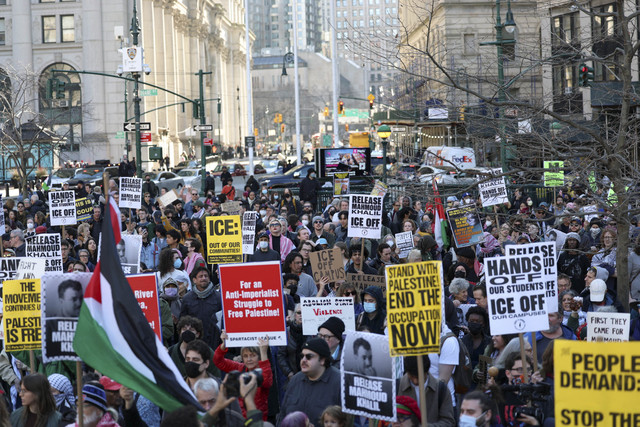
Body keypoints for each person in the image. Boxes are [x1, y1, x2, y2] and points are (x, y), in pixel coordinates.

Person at [277, 338, 341, 426]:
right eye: (302, 356)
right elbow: (283, 415)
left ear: (322, 360)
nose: (303, 360)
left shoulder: (339, 382)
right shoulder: (295, 380)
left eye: (309, 357)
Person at [214, 332, 273, 419]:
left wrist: (264, 352)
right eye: (245, 356)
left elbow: (266, 381)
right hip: (239, 417)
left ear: (259, 357)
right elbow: (218, 361)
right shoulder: (239, 367)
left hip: (256, 418)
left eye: (252, 355)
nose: (249, 359)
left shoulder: (263, 370)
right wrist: (224, 345)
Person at [397, 356, 455, 427]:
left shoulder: (441, 389)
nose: (415, 381)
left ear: (427, 371)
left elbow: (448, 422)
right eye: (412, 376)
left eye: (419, 377)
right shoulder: (397, 387)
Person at [179, 266, 223, 348]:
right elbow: (183, 321)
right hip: (194, 341)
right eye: (200, 276)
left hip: (214, 341)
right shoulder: (187, 298)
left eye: (206, 276)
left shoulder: (218, 297)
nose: (204, 278)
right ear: (194, 280)